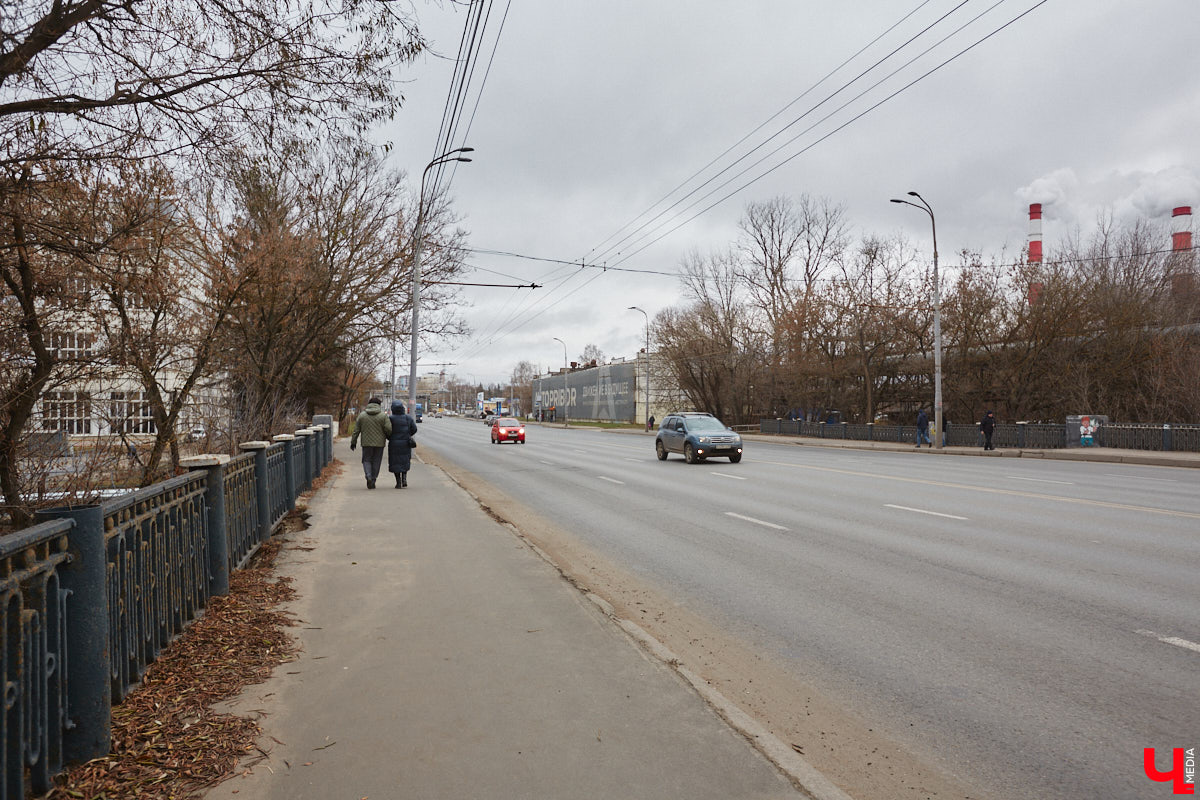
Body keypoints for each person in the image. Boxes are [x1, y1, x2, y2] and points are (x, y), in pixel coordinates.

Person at [350, 397, 392, 489]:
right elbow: (388, 429)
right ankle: (373, 479)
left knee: (366, 460)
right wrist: (388, 436)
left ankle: (368, 476)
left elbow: (356, 430)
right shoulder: (383, 416)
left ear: (369, 404)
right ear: (379, 405)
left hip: (366, 443)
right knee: (377, 461)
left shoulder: (362, 415)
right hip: (379, 443)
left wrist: (353, 442)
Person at [387, 400, 418, 488]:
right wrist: (408, 435)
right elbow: (414, 429)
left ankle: (398, 482)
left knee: (395, 462)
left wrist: (390, 437)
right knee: (404, 461)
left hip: (394, 444)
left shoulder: (390, 418)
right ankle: (404, 478)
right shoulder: (408, 418)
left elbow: (387, 430)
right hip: (405, 443)